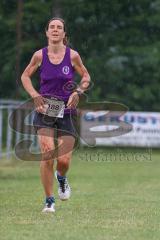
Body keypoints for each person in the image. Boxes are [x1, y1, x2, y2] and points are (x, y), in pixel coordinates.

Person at [21, 17, 90, 213]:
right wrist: (34, 95)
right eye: (52, 27)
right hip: (45, 111)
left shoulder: (73, 56)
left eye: (59, 27)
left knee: (64, 160)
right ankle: (49, 200)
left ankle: (62, 178)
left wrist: (77, 92)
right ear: (46, 32)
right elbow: (25, 76)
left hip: (67, 111)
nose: (55, 30)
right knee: (47, 154)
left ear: (64, 33)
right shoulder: (39, 55)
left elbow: (86, 76)